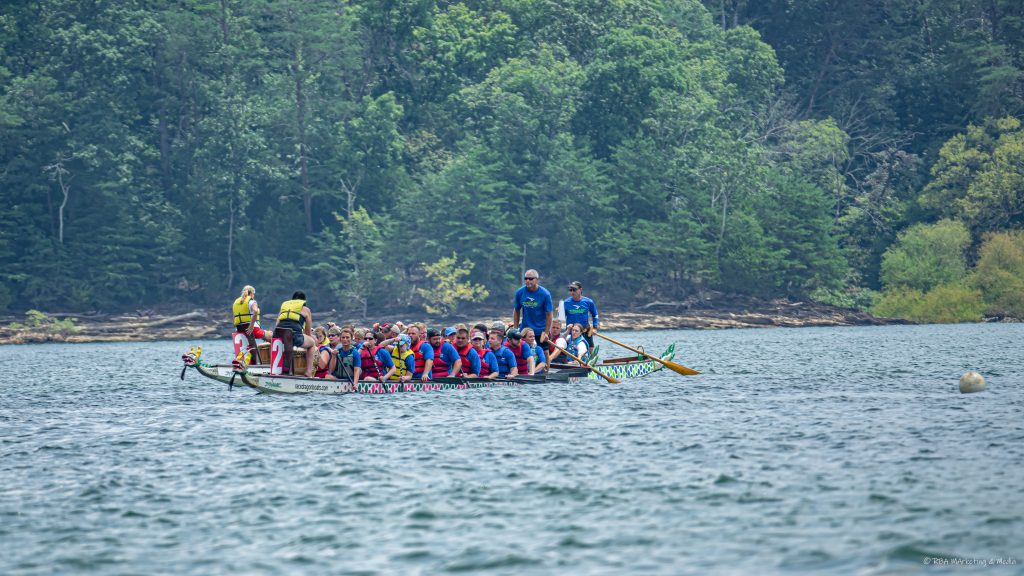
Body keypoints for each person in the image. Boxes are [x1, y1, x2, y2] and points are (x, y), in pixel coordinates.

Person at [275, 291, 316, 377]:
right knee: (312, 343)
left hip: (278, 335)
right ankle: (308, 372)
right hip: (294, 336)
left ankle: (280, 368)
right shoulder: (306, 310)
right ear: (303, 301)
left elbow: (277, 325)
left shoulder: (284, 308)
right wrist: (310, 337)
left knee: (286, 341)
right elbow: (307, 332)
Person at [513, 269, 553, 343]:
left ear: (537, 280)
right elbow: (516, 310)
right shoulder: (520, 292)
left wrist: (546, 332)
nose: (528, 281)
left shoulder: (545, 294)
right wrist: (515, 328)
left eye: (531, 279)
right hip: (525, 331)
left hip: (540, 331)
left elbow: (549, 314)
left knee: (544, 352)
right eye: (526, 278)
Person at [564, 280, 599, 348]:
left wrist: (595, 328)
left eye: (574, 289)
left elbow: (595, 315)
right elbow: (560, 319)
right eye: (570, 290)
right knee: (571, 351)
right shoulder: (566, 303)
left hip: (585, 330)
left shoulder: (588, 302)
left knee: (590, 349)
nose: (572, 292)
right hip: (572, 331)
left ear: (580, 290)